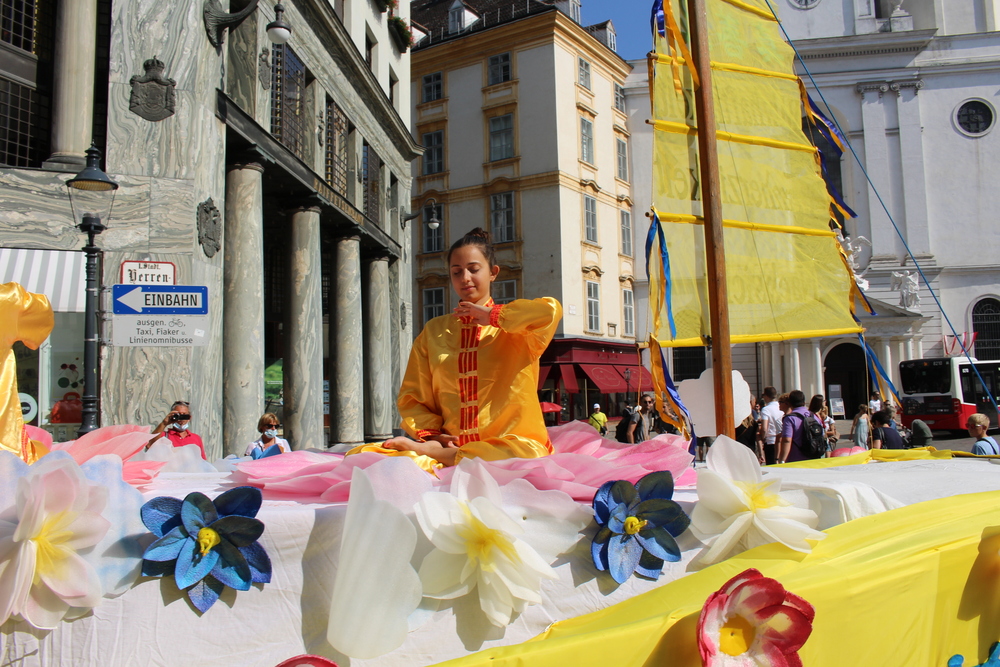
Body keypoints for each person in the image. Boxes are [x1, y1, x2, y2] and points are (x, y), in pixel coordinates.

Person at [368, 228, 561, 470]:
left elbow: (550, 310)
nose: (465, 278)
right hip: (449, 444)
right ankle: (441, 453)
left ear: (493, 272)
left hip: (508, 445)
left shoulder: (519, 329)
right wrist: (434, 435)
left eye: (474, 269)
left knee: (520, 455)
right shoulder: (434, 330)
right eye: (456, 272)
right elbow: (413, 396)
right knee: (366, 456)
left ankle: (440, 455)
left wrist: (494, 316)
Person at [777, 390, 812, 464]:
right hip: (813, 456)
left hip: (795, 458)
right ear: (804, 402)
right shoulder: (813, 415)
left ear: (790, 403)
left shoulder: (790, 418)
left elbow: (787, 440)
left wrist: (782, 459)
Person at [758, 386, 783, 465]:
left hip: (770, 441)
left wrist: (762, 438)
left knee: (772, 465)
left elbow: (764, 428)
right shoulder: (781, 406)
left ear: (766, 396)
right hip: (781, 440)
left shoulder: (766, 409)